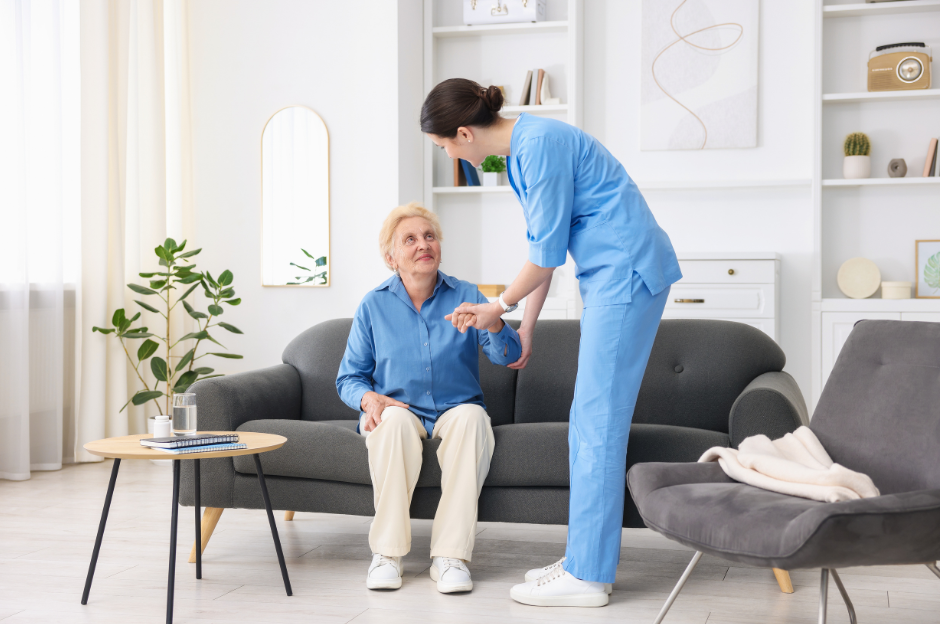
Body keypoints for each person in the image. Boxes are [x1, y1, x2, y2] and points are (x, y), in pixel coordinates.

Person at [420, 78, 682, 607]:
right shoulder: (523, 151)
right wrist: (528, 325)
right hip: (615, 275)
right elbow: (548, 246)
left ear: (464, 133)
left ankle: (588, 576)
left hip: (626, 273)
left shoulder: (536, 148)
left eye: (445, 145)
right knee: (591, 421)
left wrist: (499, 307)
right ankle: (585, 559)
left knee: (596, 422)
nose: (448, 153)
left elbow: (544, 258)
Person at [335, 202, 522, 594]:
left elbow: (507, 356)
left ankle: (450, 558)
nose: (424, 244)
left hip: (457, 408)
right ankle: (386, 555)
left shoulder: (468, 294)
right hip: (399, 409)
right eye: (410, 239)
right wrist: (369, 399)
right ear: (392, 257)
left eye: (429, 236)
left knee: (473, 420)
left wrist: (496, 319)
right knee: (391, 425)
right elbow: (349, 377)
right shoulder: (373, 305)